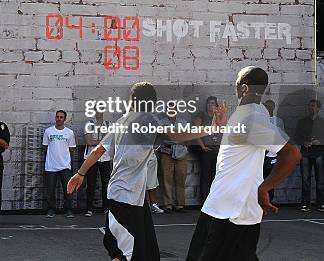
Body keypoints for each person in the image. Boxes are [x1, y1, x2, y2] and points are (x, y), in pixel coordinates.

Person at [68, 82, 227, 261]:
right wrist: (212, 129)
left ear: (132, 100)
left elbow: (99, 150)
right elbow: (173, 135)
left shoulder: (122, 121)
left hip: (131, 199)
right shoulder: (145, 119)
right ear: (152, 102)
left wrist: (80, 173)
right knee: (124, 255)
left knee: (147, 253)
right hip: (125, 199)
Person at [186, 66, 301, 261]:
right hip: (235, 209)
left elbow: (291, 153)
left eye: (237, 84)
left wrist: (265, 188)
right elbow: (240, 147)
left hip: (227, 210)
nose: (235, 89)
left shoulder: (252, 119)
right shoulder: (254, 114)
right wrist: (222, 126)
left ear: (244, 88)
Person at [43, 110, 76, 218]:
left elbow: (72, 149)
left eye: (61, 117)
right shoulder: (48, 131)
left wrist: (65, 160)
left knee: (68, 190)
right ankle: (51, 209)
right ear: (55, 118)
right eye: (57, 117)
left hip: (65, 166)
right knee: (50, 190)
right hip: (51, 166)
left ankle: (68, 210)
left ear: (65, 119)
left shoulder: (69, 133)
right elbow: (45, 147)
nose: (59, 119)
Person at [293, 99, 324, 212]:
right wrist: (304, 142)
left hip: (319, 152)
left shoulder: (322, 122)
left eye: (313, 106)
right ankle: (305, 203)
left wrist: (319, 142)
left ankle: (321, 203)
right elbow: (296, 136)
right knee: (305, 179)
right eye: (309, 106)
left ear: (318, 108)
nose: (311, 108)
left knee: (320, 179)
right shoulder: (302, 122)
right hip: (305, 153)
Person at [193, 96, 221, 204]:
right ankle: (204, 200)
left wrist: (217, 115)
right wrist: (202, 146)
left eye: (213, 103)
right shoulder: (202, 115)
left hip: (216, 149)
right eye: (209, 103)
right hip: (206, 149)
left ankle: (213, 200)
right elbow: (195, 130)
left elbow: (221, 128)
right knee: (205, 176)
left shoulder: (217, 116)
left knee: (215, 175)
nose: (210, 105)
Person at [159, 112, 190, 213]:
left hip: (180, 152)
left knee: (181, 177)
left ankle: (180, 204)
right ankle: (168, 204)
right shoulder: (162, 122)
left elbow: (187, 135)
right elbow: (160, 136)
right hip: (167, 152)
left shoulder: (183, 122)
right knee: (166, 178)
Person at [84, 111, 112, 217]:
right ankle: (89, 209)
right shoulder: (89, 124)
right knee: (91, 183)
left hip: (105, 158)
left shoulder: (109, 124)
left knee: (106, 184)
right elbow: (88, 141)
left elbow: (109, 141)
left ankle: (107, 207)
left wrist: (96, 140)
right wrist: (101, 141)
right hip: (91, 157)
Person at [262, 100, 285, 202]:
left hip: (273, 155)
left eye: (270, 106)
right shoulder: (260, 120)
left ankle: (270, 200)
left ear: (274, 107)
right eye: (267, 106)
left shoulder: (278, 121)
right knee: (261, 179)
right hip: (261, 155)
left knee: (270, 180)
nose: (268, 108)